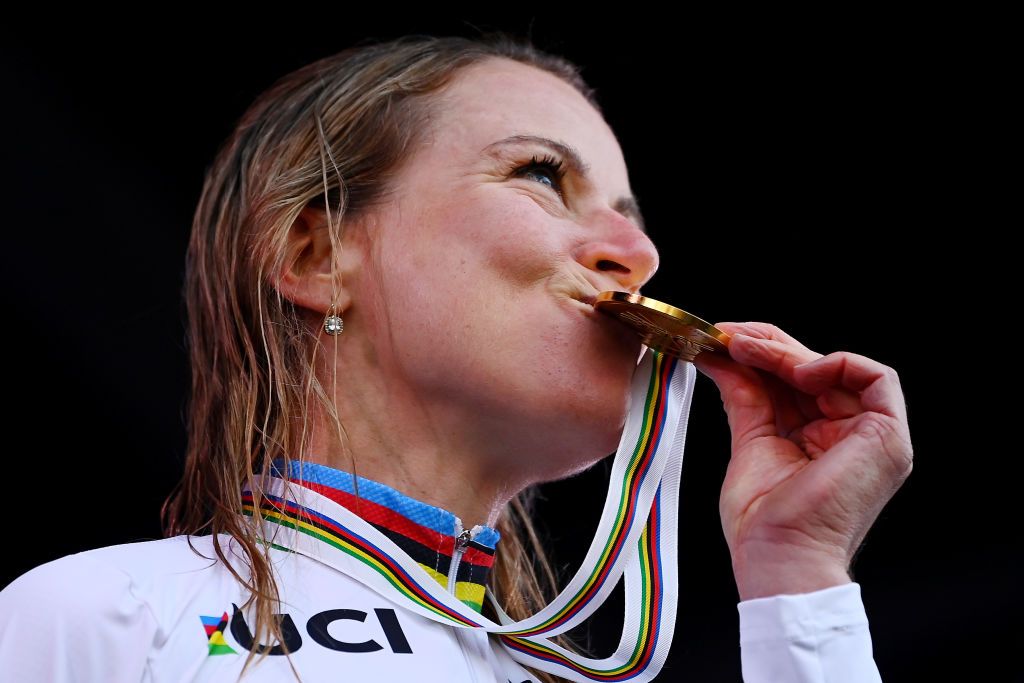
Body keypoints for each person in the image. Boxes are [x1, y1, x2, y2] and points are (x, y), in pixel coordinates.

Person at [0, 32, 913, 682]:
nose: (637, 254)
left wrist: (798, 578)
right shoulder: (103, 617)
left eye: (633, 218)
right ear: (317, 257)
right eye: (542, 176)